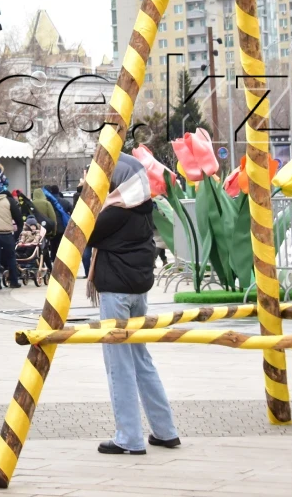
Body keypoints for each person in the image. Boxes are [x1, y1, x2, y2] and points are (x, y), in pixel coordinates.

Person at [87, 153, 181, 455]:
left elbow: (84, 229)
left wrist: (86, 192)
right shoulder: (142, 207)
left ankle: (129, 437)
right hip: (138, 293)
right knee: (141, 360)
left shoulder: (115, 211)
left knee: (119, 365)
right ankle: (165, 431)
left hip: (115, 293)